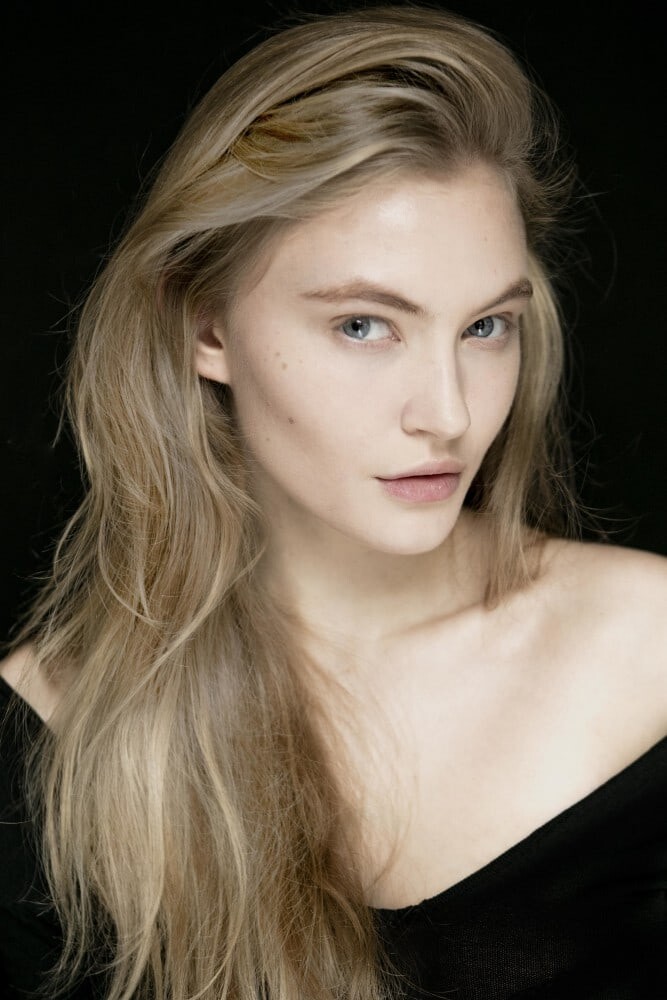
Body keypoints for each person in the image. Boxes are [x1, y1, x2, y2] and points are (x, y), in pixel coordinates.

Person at [1, 5, 665, 998]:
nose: (448, 414)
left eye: (485, 327)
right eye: (363, 325)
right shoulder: (53, 736)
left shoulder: (647, 647)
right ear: (204, 326)